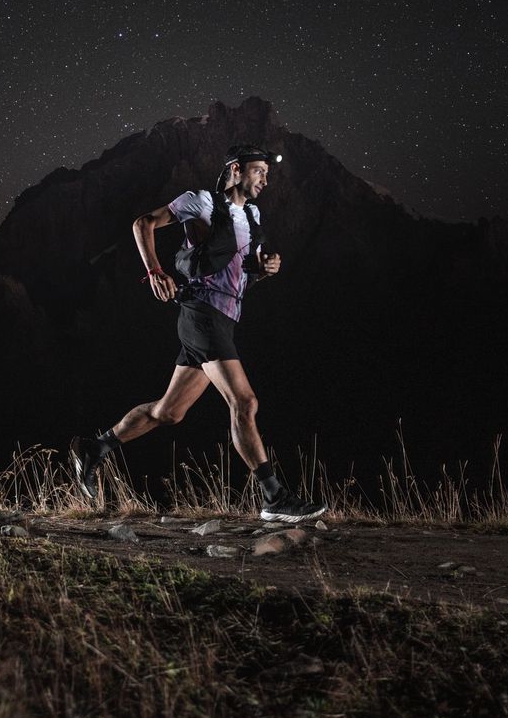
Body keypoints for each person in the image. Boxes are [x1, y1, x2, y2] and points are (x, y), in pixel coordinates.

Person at [71, 144, 327, 523]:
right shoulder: (202, 202)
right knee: (245, 402)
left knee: (168, 412)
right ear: (236, 170)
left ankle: (96, 447)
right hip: (201, 316)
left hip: (222, 319)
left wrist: (264, 268)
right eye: (259, 171)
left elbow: (238, 274)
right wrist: (156, 272)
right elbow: (143, 224)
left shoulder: (253, 216)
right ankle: (274, 498)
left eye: (267, 174)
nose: (266, 179)